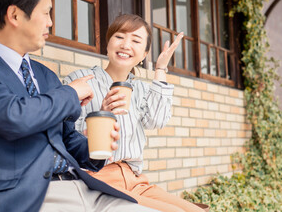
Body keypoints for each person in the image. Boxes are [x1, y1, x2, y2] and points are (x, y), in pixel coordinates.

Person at [0, 0, 159, 211]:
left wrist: (96, 146)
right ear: (14, 15)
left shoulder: (45, 76)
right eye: (46, 13)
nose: (51, 22)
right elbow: (12, 117)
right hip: (26, 199)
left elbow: (67, 140)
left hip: (86, 188)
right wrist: (70, 94)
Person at [64, 14, 206, 212]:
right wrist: (102, 115)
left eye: (135, 40)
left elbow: (157, 120)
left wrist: (161, 68)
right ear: (108, 43)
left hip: (134, 178)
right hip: (96, 177)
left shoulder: (140, 89)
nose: (125, 45)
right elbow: (65, 135)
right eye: (119, 37)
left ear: (144, 53)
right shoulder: (81, 79)